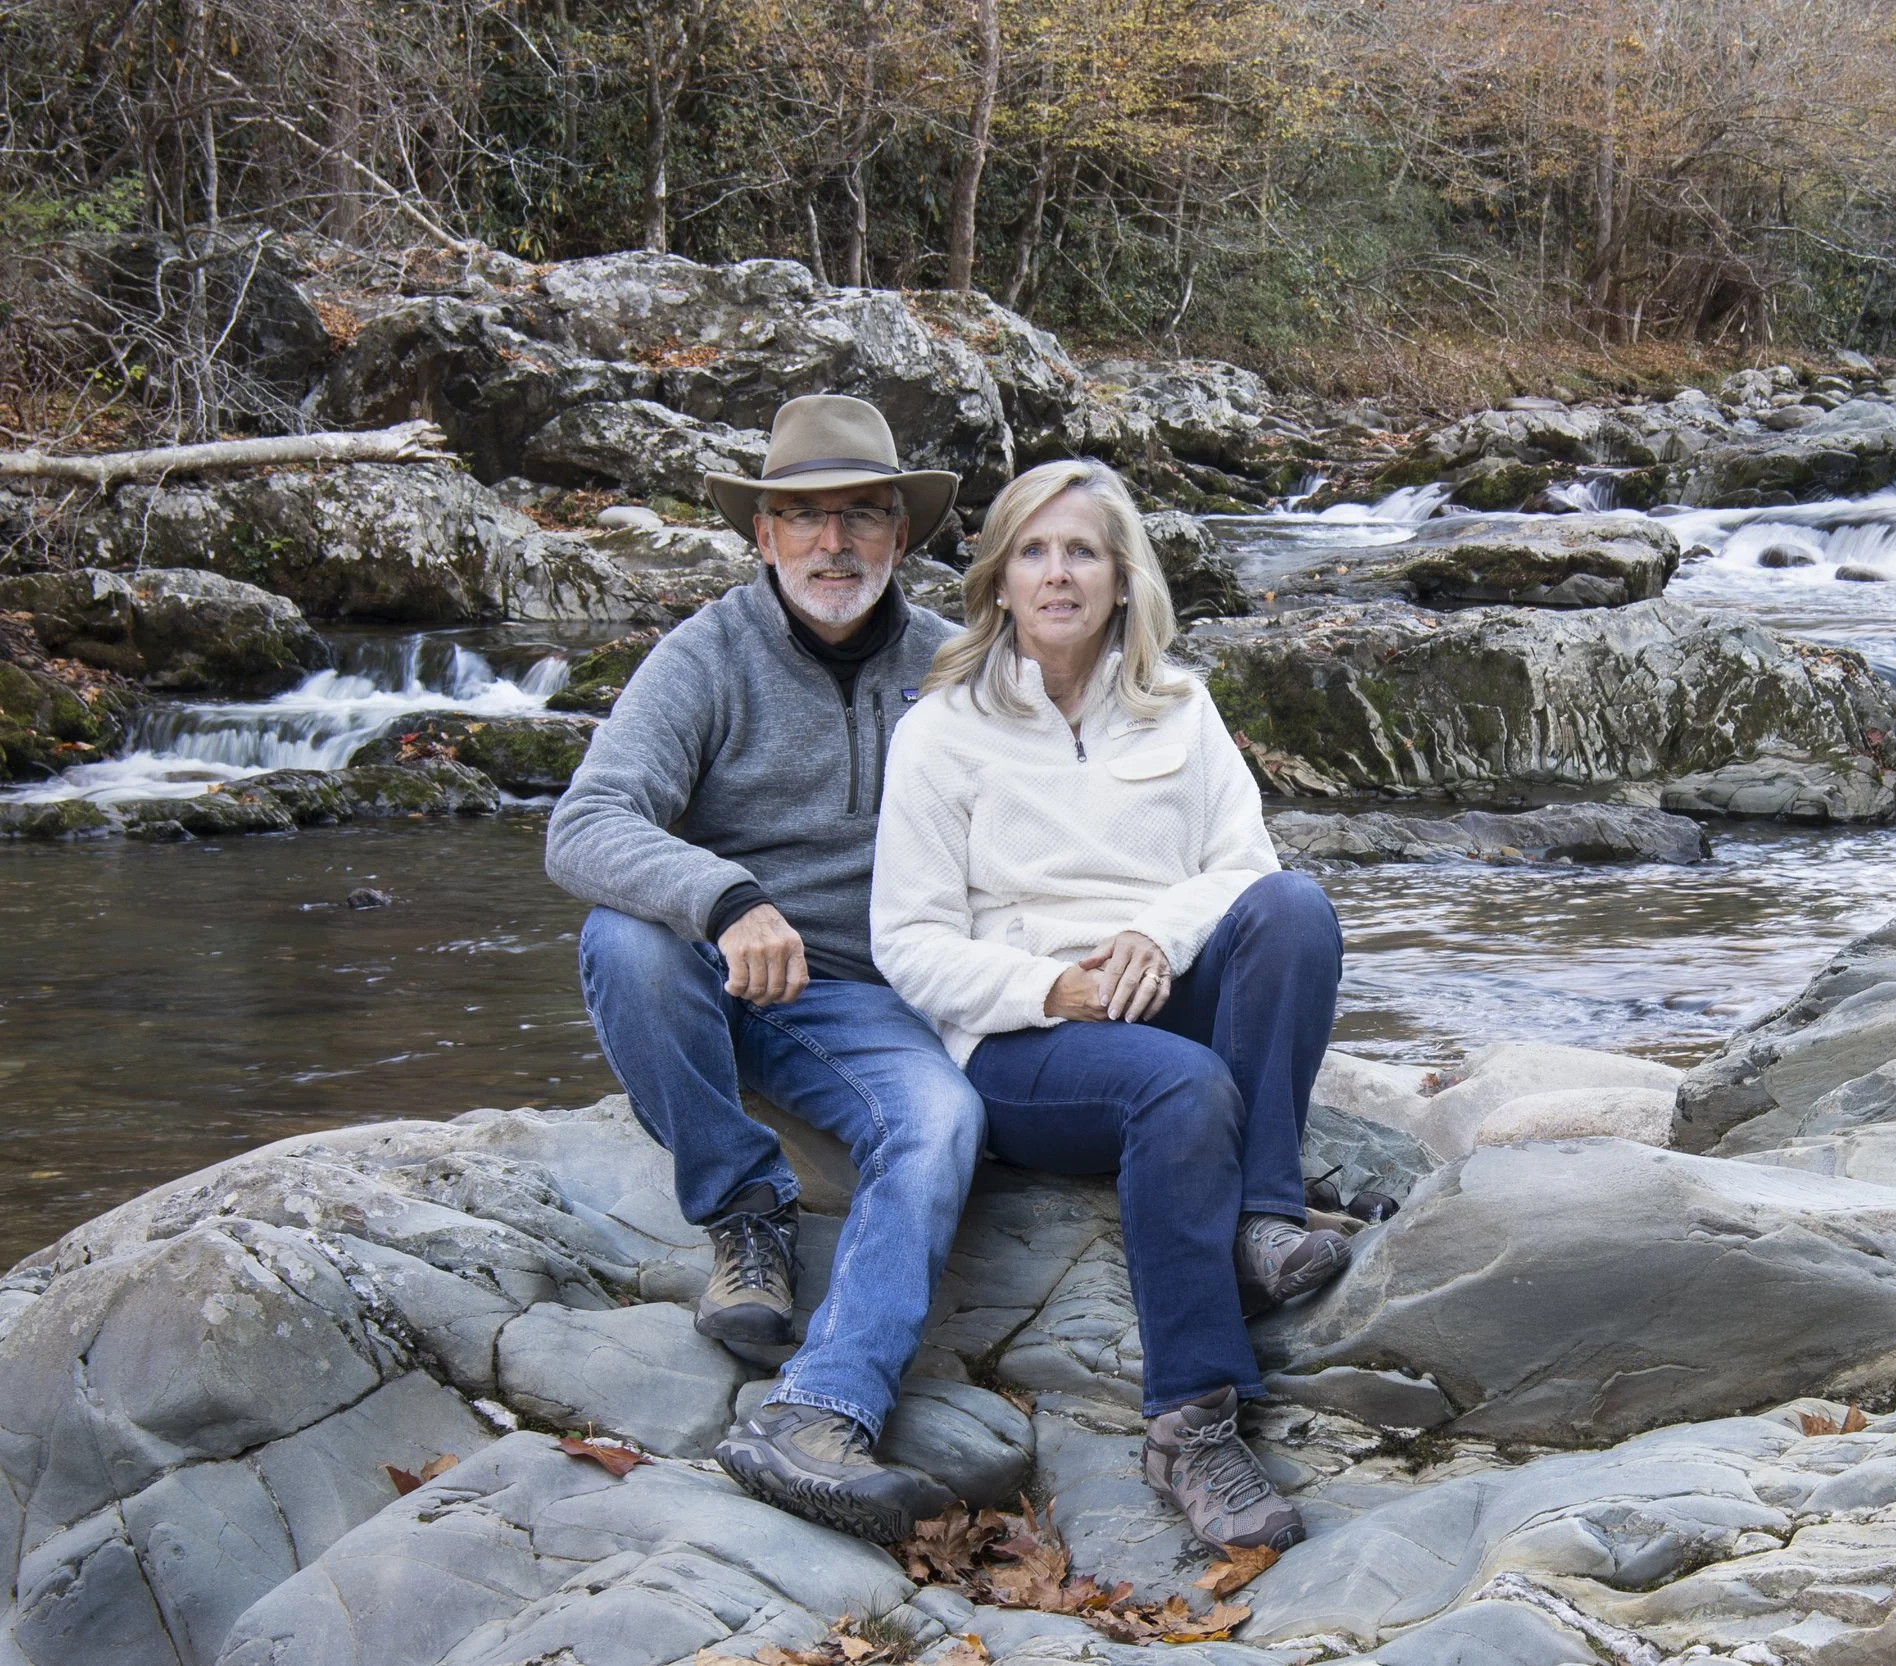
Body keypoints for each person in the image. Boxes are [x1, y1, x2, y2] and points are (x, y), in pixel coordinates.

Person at [871, 458, 1350, 1553]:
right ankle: (1192, 1422)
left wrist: (1154, 935)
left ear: (1123, 577)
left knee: (1296, 908)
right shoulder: (941, 730)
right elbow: (907, 942)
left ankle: (1262, 1218)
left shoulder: (1179, 707)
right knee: (1180, 1085)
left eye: (1081, 549)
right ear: (997, 579)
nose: (1057, 573)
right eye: (1032, 551)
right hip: (1022, 1046)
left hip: (1156, 982)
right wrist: (1052, 985)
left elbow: (1242, 866)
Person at [544, 394, 979, 1544]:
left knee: (940, 1123)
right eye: (804, 518)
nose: (832, 544)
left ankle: (817, 1414)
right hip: (722, 978)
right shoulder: (703, 656)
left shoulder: (955, 666)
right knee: (624, 937)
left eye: (861, 518)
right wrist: (728, 897)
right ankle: (747, 1214)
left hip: (880, 1002)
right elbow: (582, 825)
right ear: (762, 536)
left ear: (901, 534)